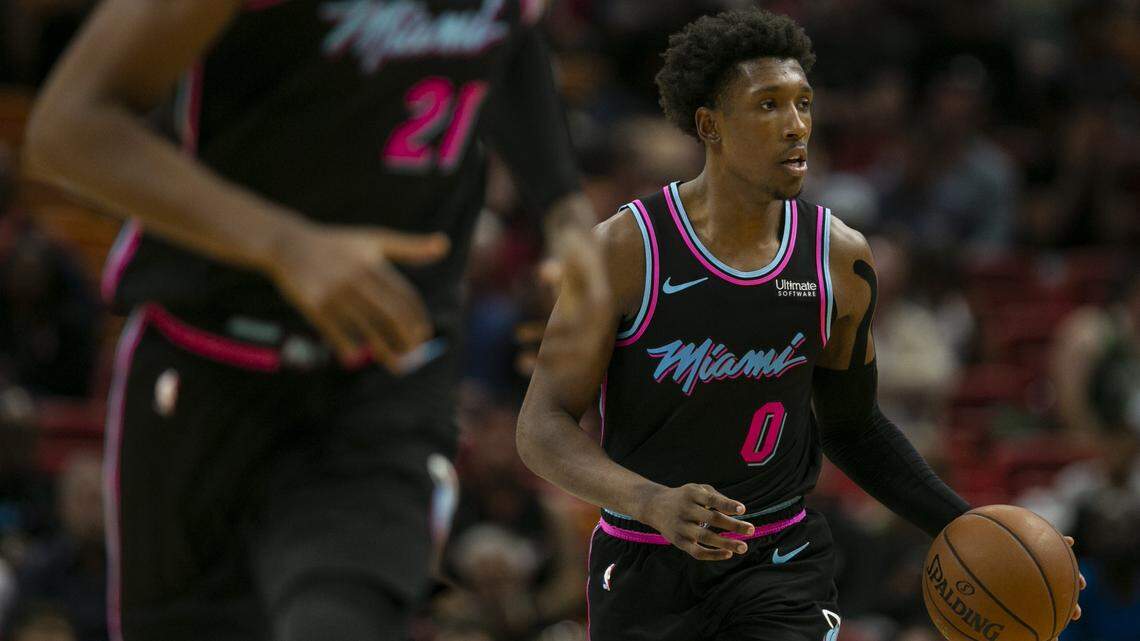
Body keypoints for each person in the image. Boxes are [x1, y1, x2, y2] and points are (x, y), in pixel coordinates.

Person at [23, 1, 609, 640]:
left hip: (382, 378)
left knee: (343, 617)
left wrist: (563, 210)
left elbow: (511, 41)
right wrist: (286, 245)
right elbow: (67, 128)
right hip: (204, 366)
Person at [516, 9, 1082, 640]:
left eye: (804, 103)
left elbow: (853, 426)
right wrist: (651, 500)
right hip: (643, 560)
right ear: (710, 126)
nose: (797, 126)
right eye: (768, 105)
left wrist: (977, 529)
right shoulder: (623, 250)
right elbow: (542, 426)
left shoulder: (838, 258)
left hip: (779, 560)